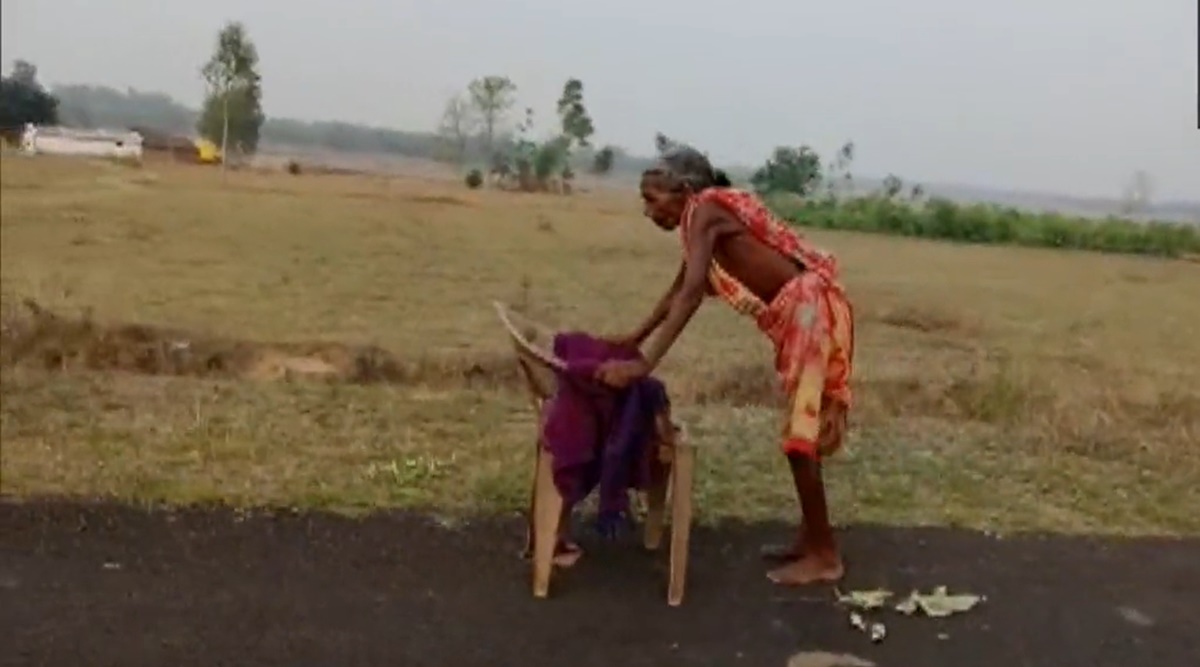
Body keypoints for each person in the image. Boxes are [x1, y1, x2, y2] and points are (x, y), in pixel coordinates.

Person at [594, 145, 855, 586]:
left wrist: (642, 367)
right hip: (805, 315)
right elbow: (679, 290)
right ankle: (812, 539)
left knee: (800, 439)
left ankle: (825, 554)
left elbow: (693, 293)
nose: (647, 210)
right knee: (802, 435)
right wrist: (633, 340)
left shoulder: (706, 210)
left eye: (653, 199)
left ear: (685, 190)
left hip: (811, 314)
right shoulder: (701, 220)